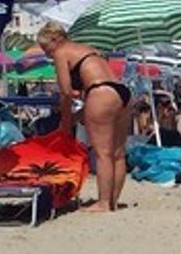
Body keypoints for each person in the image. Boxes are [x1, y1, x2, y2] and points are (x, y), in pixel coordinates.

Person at [38, 21, 134, 212]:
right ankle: (113, 201)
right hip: (122, 92)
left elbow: (65, 92)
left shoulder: (61, 52)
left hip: (100, 92)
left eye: (45, 47)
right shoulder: (87, 48)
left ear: (56, 40)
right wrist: (74, 118)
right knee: (118, 153)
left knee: (103, 153)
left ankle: (104, 203)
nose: (46, 53)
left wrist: (65, 123)